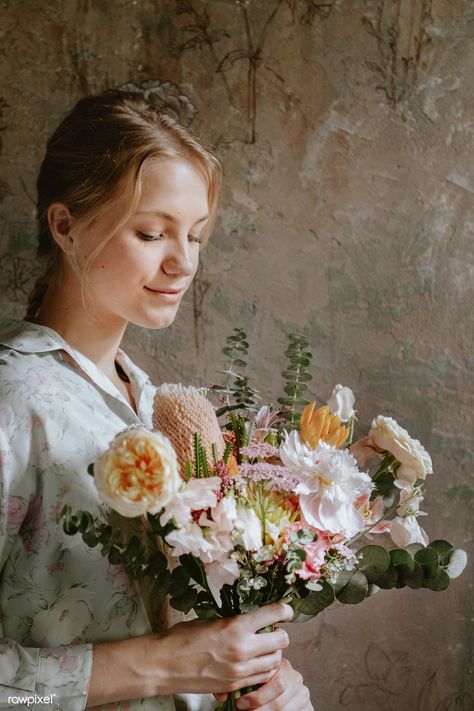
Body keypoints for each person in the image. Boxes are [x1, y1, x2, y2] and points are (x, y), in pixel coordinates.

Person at [0, 90, 313, 711]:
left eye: (195, 236)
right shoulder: (14, 398)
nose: (183, 263)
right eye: (151, 233)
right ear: (64, 225)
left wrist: (248, 685)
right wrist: (162, 667)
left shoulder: (155, 406)